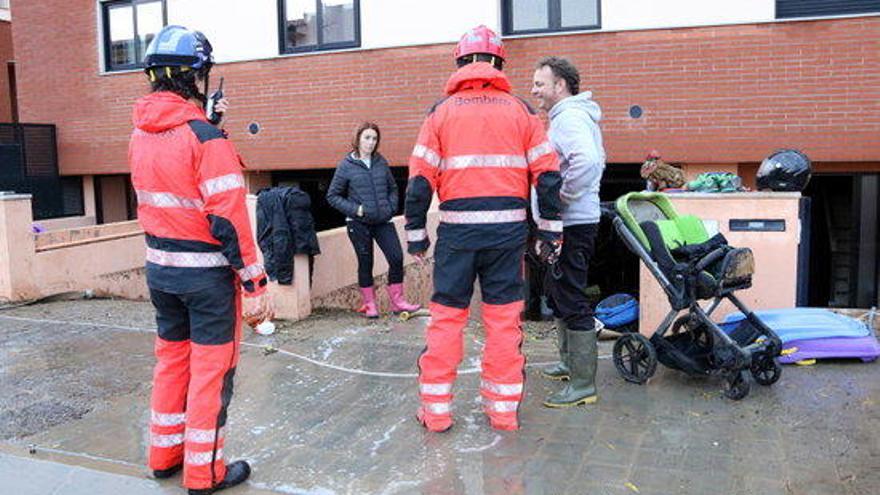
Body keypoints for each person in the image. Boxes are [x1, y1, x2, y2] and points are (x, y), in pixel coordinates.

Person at [130, 25, 274, 495]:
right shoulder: (205, 138)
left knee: (172, 364)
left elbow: (175, 183)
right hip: (207, 281)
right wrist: (254, 283)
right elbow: (229, 218)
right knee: (211, 375)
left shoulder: (140, 133)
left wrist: (208, 123)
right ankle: (204, 473)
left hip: (161, 272)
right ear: (197, 75)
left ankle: (163, 456)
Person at [405, 26, 563, 432]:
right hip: (507, 236)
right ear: (498, 64)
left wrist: (416, 233)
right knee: (503, 322)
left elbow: (420, 180)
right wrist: (550, 233)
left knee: (446, 319)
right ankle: (503, 412)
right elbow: (547, 178)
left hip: (457, 235)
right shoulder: (521, 111)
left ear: (460, 63)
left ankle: (436, 414)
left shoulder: (440, 112)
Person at [531, 56, 606, 408]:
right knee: (559, 292)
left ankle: (582, 384)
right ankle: (568, 364)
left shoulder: (569, 118)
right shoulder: (565, 117)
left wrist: (561, 198)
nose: (534, 90)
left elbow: (588, 161)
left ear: (560, 85)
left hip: (573, 223)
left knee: (571, 296)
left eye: (539, 84)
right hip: (568, 222)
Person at [327, 122, 420, 318]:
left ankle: (398, 301)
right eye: (367, 138)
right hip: (358, 223)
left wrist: (390, 207)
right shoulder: (346, 165)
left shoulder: (380, 162)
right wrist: (356, 210)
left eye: (374, 138)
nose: (371, 142)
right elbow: (333, 196)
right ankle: (370, 304)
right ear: (358, 139)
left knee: (396, 257)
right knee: (365, 262)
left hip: (382, 221)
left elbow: (393, 188)